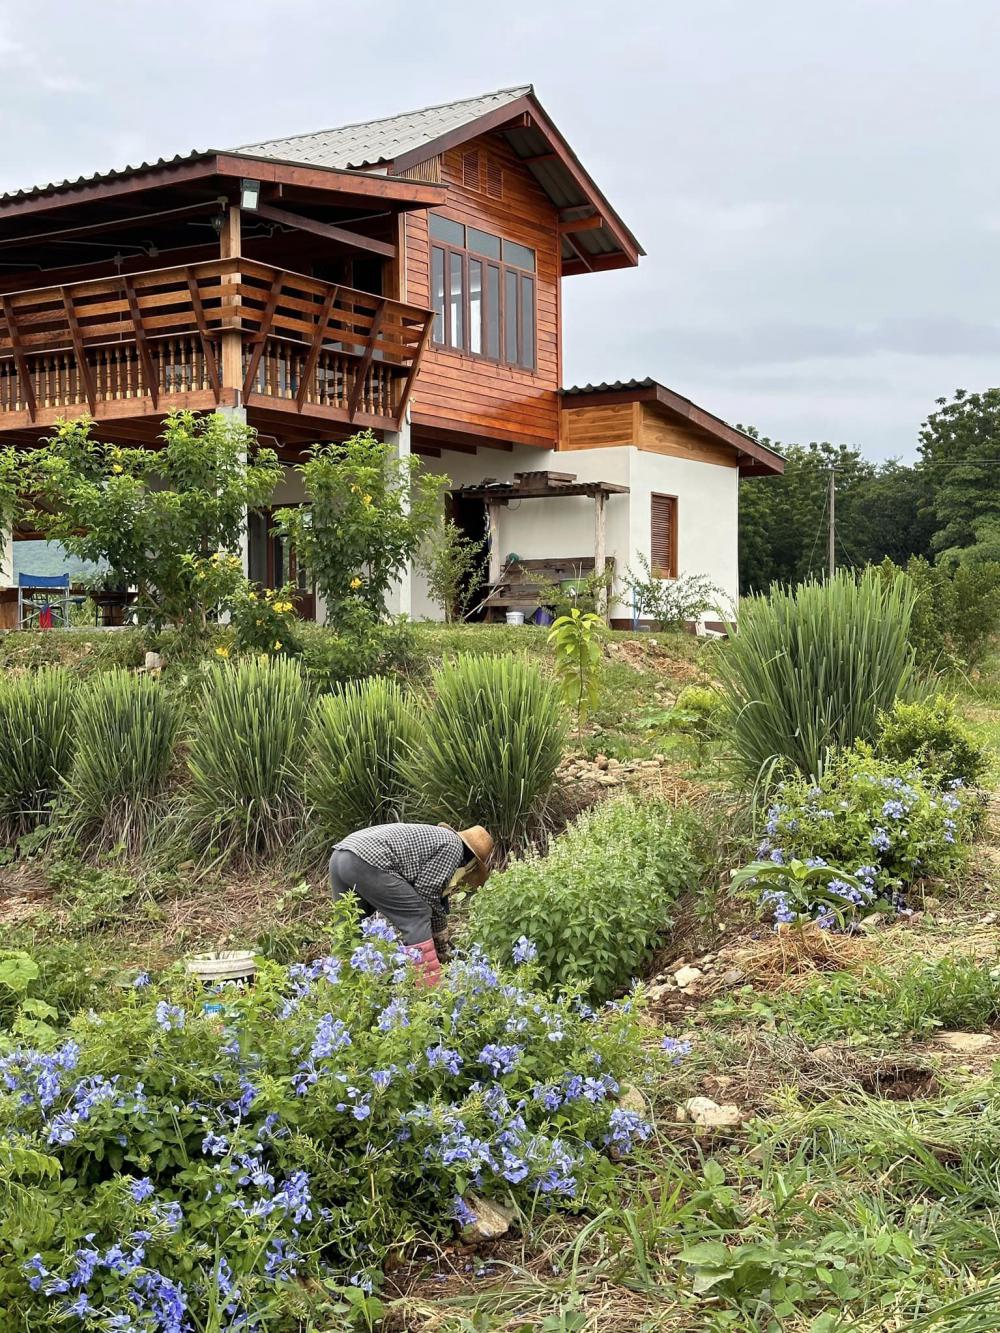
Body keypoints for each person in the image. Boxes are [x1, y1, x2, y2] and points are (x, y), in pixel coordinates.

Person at [329, 822, 494, 986]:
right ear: (471, 862)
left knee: (348, 928)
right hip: (365, 860)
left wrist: (437, 933)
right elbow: (427, 893)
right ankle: (429, 987)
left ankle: (342, 985)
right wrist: (440, 936)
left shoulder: (437, 839)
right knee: (417, 915)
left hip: (341, 856)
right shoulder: (453, 847)